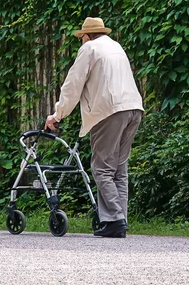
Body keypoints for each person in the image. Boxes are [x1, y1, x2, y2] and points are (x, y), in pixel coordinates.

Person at [45, 17, 143, 238]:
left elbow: (73, 84)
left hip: (109, 111)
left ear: (87, 36)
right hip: (134, 108)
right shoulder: (116, 46)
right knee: (119, 169)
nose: (81, 41)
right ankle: (119, 220)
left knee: (102, 168)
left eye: (82, 37)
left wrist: (57, 115)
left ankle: (115, 220)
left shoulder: (89, 48)